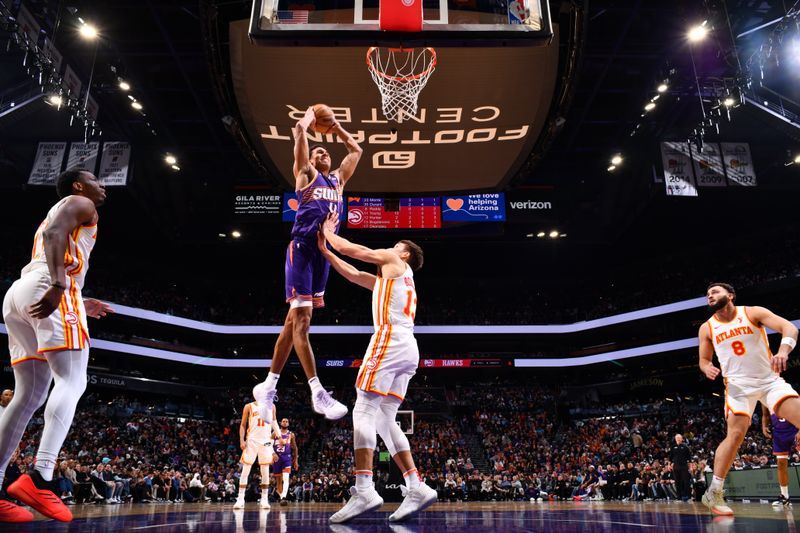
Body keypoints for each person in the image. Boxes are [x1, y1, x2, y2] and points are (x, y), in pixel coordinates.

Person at [0, 170, 112, 523]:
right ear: (79, 186)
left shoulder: (63, 207)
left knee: (28, 395)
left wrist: (81, 296)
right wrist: (62, 286)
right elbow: (54, 235)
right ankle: (41, 477)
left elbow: (53, 242)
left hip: (20, 291)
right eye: (96, 179)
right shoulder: (81, 203)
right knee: (73, 380)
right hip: (50, 285)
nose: (102, 185)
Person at [318, 215, 437, 523]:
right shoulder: (395, 280)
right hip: (409, 346)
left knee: (364, 410)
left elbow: (355, 251)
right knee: (385, 418)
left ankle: (364, 488)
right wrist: (327, 253)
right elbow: (356, 274)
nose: (388, 247)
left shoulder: (393, 259)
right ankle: (416, 485)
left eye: (395, 245)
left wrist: (329, 232)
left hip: (389, 339)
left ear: (404, 253)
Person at [258, 106, 363, 421]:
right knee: (302, 322)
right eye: (319, 152)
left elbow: (356, 150)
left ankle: (268, 385)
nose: (323, 153)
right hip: (302, 250)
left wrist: (338, 128)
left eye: (326, 151)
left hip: (323, 256)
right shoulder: (307, 175)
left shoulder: (338, 182)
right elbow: (300, 136)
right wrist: (307, 117)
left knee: (292, 324)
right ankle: (318, 390)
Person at [698, 282, 799, 516]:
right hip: (737, 386)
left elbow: (789, 328)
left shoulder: (752, 312)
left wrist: (783, 351)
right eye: (707, 294)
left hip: (768, 380)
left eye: (715, 291)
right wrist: (707, 368)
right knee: (735, 435)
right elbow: (703, 360)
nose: (710, 296)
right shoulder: (707, 328)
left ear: (730, 295)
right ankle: (713, 492)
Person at [235, 385, 280, 509]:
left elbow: (274, 424)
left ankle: (264, 499)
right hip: (252, 441)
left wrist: (279, 437)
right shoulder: (249, 406)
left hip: (265, 441)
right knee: (245, 470)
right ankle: (240, 499)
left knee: (265, 471)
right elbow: (243, 425)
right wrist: (241, 440)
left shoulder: (272, 406)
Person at [761, 401, 800, 507]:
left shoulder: (786, 392)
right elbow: (765, 415)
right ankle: (785, 497)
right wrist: (764, 426)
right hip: (779, 434)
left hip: (795, 428)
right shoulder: (764, 398)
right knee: (781, 464)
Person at [272, 417, 298, 505]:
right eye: (283, 421)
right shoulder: (275, 433)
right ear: (281, 423)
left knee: (286, 478)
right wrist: (272, 454)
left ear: (288, 424)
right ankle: (280, 497)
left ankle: (284, 497)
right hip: (277, 458)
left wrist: (296, 460)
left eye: (287, 421)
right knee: (278, 480)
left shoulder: (291, 434)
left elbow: (295, 448)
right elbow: (268, 445)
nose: (285, 422)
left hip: (287, 458)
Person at [669, 434, 691, 501]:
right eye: (677, 438)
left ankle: (687, 496)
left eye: (679, 438)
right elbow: (670, 458)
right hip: (676, 467)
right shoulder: (673, 447)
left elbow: (689, 458)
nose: (678, 439)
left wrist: (690, 467)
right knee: (677, 482)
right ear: (675, 439)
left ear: (682, 439)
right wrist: (669, 465)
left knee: (685, 481)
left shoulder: (685, 447)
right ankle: (679, 497)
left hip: (684, 466)